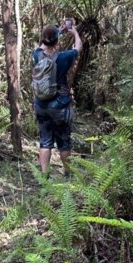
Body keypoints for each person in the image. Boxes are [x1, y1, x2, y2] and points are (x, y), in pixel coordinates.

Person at [31, 20, 82, 176]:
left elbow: (43, 45)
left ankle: (44, 176)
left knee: (45, 141)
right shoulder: (64, 58)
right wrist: (74, 32)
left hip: (41, 104)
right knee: (64, 141)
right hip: (59, 105)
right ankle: (68, 173)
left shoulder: (36, 55)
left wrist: (56, 32)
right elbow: (78, 47)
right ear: (57, 41)